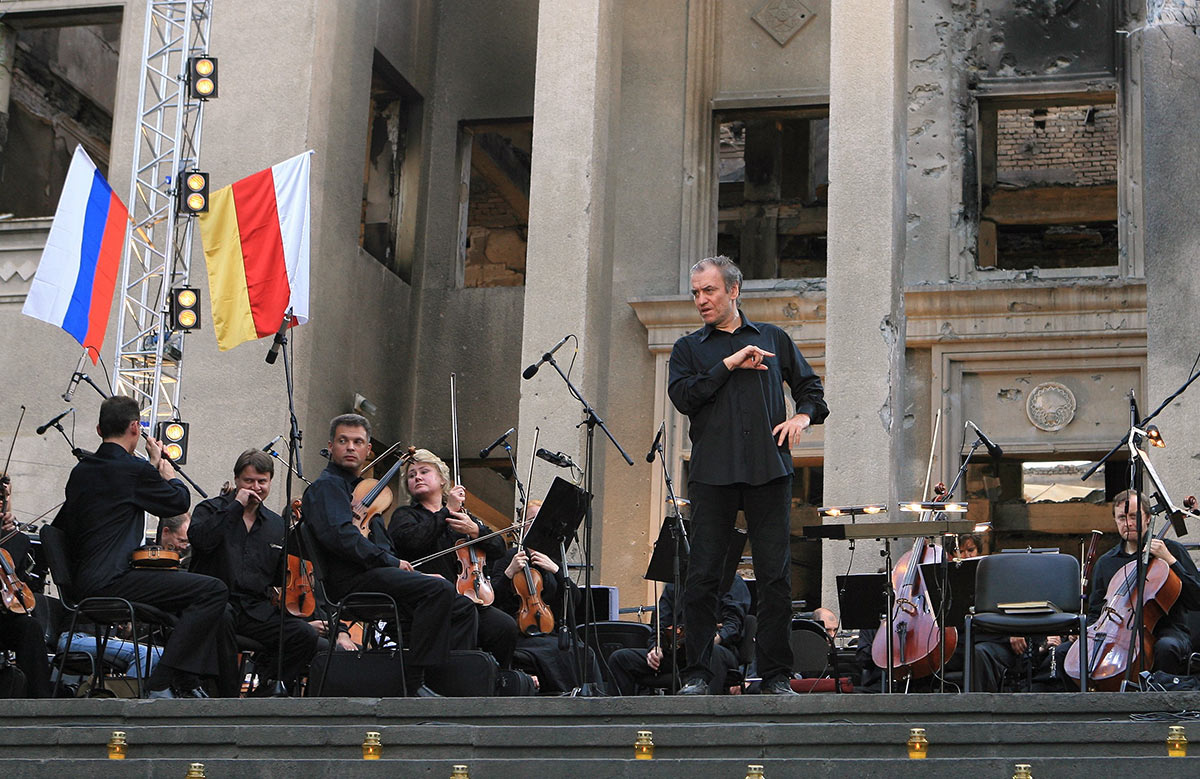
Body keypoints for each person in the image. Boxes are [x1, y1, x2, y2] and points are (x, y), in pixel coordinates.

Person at [667, 256, 828, 695]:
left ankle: (776, 675)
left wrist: (803, 418)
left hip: (767, 470)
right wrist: (730, 363)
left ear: (733, 291)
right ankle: (698, 673)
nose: (701, 300)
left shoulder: (773, 338)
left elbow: (812, 390)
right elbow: (685, 396)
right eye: (696, 293)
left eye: (709, 291)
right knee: (702, 577)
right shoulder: (688, 349)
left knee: (775, 578)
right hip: (713, 475)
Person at [51, 395, 228, 698]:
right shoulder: (134, 470)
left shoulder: (80, 472)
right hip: (113, 582)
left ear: (98, 430)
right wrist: (165, 471)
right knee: (213, 591)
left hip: (82, 586)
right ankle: (163, 679)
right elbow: (178, 503)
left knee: (187, 606)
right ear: (136, 427)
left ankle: (184, 677)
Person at [301, 414, 477, 696]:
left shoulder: (360, 492)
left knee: (462, 606)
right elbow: (341, 538)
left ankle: (450, 682)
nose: (350, 447)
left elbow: (380, 544)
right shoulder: (327, 487)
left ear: (368, 450)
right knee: (436, 590)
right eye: (343, 441)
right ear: (330, 446)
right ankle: (416, 683)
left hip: (374, 575)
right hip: (352, 582)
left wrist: (411, 573)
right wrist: (393, 563)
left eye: (357, 442)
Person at [189, 449, 318, 695]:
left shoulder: (276, 525)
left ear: (270, 482)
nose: (256, 487)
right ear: (237, 480)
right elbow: (201, 540)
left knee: (303, 634)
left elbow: (283, 575)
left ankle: (266, 691)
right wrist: (236, 505)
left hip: (254, 609)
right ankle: (227, 694)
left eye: (262, 481)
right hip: (214, 603)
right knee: (223, 615)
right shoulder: (210, 509)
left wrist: (302, 538)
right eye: (249, 481)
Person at [387, 449, 517, 668]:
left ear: (442, 480)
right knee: (464, 618)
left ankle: (495, 682)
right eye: (411, 475)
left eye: (424, 471)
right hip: (427, 602)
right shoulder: (405, 515)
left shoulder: (463, 517)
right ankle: (457, 678)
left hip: (467, 595)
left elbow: (499, 549)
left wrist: (476, 530)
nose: (417, 477)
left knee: (504, 626)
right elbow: (414, 541)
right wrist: (446, 511)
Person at [608, 576, 750, 696]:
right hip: (680, 653)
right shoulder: (674, 585)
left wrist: (710, 641)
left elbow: (733, 625)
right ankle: (617, 718)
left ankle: (704, 716)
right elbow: (660, 627)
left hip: (719, 650)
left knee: (712, 653)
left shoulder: (731, 581)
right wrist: (655, 647)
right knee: (620, 659)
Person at [0, 483, 51, 697]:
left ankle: (41, 702)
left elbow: (14, 581)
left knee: (30, 627)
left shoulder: (16, 539)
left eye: (3, 497)